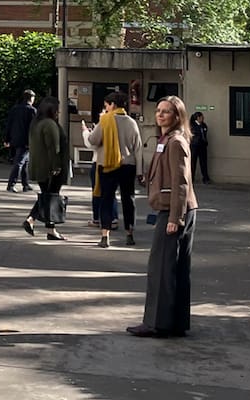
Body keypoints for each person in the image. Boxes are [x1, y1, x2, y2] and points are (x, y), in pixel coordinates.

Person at [128, 95, 198, 339]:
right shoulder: (166, 139)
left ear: (177, 116)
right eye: (158, 110)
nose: (160, 115)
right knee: (174, 267)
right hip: (177, 208)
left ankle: (156, 323)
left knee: (160, 267)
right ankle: (175, 322)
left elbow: (181, 182)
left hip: (175, 210)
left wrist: (175, 218)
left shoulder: (176, 142)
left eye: (166, 111)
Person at [82, 91, 143, 249]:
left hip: (107, 164)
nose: (106, 108)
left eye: (107, 105)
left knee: (106, 199)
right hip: (128, 165)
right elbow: (138, 148)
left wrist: (85, 131)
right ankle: (129, 233)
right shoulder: (131, 122)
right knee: (128, 199)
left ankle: (105, 235)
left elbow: (93, 140)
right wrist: (140, 171)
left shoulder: (105, 121)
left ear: (113, 105)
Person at [21, 97, 69, 241]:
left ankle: (49, 229)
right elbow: (54, 147)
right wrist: (57, 166)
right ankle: (31, 219)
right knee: (50, 197)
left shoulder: (36, 124)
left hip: (39, 167)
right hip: (51, 168)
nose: (59, 112)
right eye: (57, 109)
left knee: (48, 196)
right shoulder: (50, 124)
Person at [4, 89, 37, 193]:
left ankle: (25, 184)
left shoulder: (15, 109)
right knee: (20, 163)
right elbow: (33, 128)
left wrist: (7, 138)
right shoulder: (32, 110)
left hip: (15, 139)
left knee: (25, 162)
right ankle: (11, 184)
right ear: (31, 98)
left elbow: (9, 124)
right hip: (26, 140)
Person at [190, 112, 209, 184]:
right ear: (198, 118)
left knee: (203, 162)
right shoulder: (192, 125)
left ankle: (205, 178)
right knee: (193, 162)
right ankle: (191, 178)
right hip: (194, 146)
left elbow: (205, 133)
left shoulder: (203, 125)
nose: (203, 118)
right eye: (201, 117)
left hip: (202, 146)